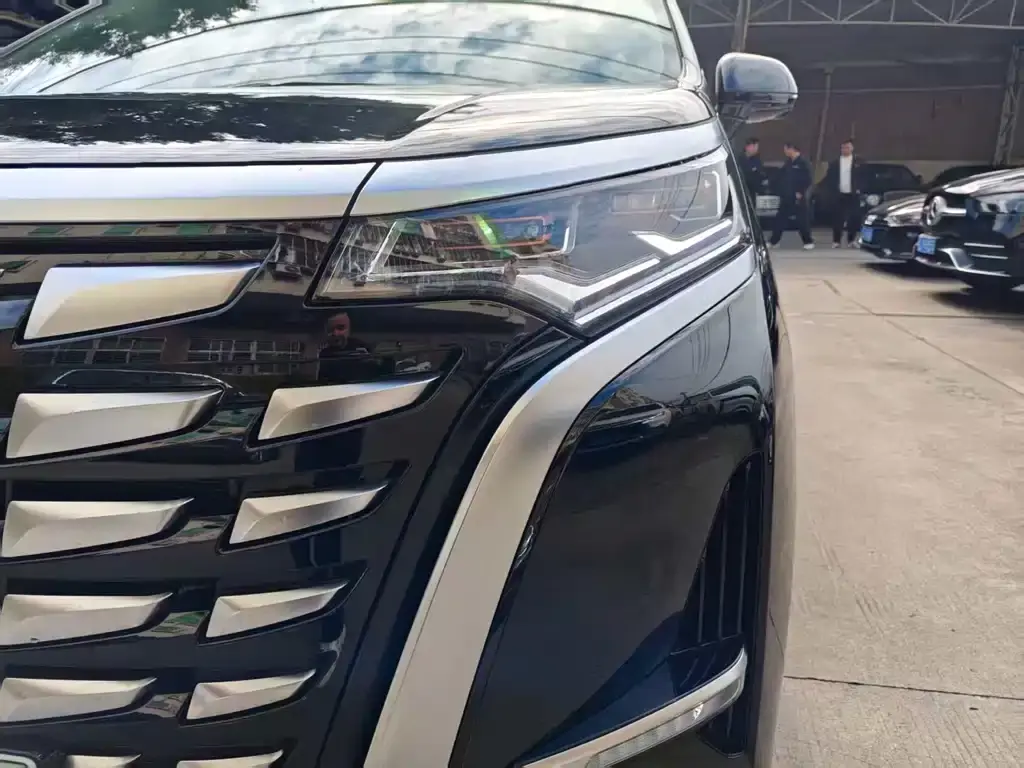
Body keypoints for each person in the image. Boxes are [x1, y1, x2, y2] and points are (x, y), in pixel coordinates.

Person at [769, 142, 814, 250]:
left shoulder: (803, 162)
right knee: (780, 219)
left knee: (802, 220)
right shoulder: (788, 163)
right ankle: (774, 241)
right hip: (787, 196)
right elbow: (781, 176)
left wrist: (801, 192)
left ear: (792, 149)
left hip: (798, 197)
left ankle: (808, 241)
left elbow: (808, 179)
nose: (785, 152)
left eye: (786, 149)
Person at [822, 138, 865, 248]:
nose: (845, 149)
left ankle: (851, 240)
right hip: (839, 194)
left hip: (853, 194)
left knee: (854, 218)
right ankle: (836, 241)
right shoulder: (835, 163)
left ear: (852, 148)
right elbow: (829, 178)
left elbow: (864, 176)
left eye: (847, 147)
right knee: (838, 218)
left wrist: (860, 189)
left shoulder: (859, 162)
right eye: (843, 147)